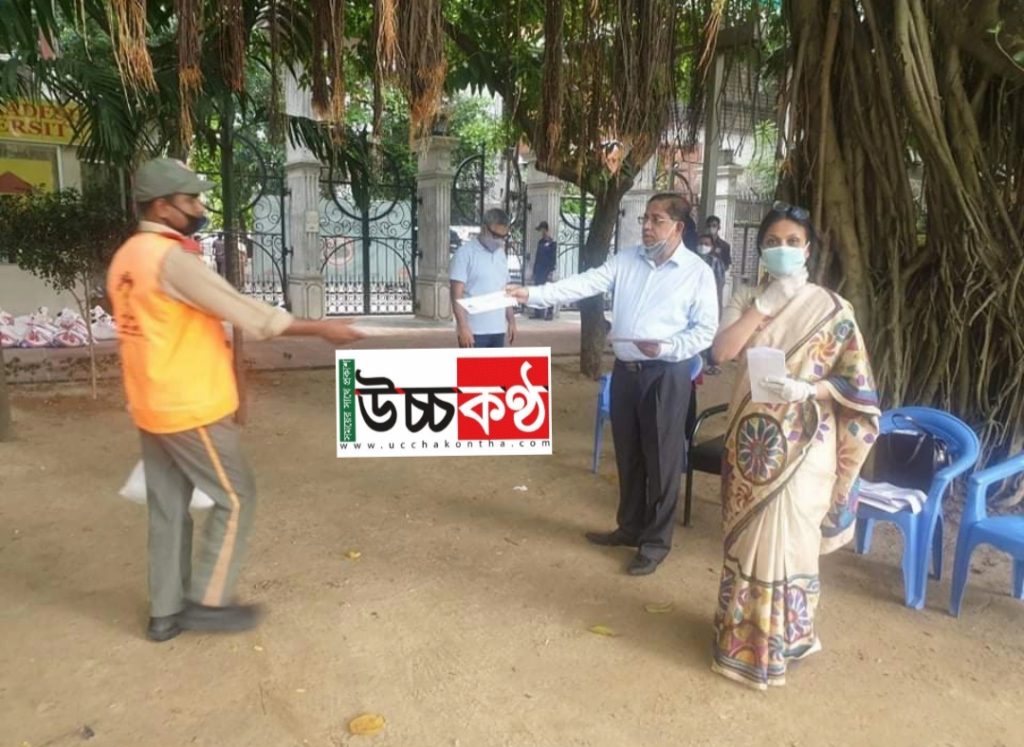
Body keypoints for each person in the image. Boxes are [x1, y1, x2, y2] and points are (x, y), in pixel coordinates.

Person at [108, 158, 366, 643]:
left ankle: (164, 612)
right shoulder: (169, 260)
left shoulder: (127, 258)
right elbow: (243, 310)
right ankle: (208, 602)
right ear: (161, 207)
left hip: (151, 404)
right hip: (189, 406)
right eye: (190, 200)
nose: (199, 207)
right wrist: (320, 328)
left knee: (167, 508)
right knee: (236, 496)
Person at [708, 202, 880, 689]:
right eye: (773, 242)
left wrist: (808, 389)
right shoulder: (746, 297)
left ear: (807, 250)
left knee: (793, 541)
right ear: (762, 249)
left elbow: (857, 385)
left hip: (807, 445)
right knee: (750, 540)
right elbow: (722, 351)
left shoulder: (833, 308)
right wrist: (764, 307)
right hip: (751, 444)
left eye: (792, 242)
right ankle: (741, 640)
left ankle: (786, 639)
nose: (782, 249)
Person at [507, 193, 719, 575]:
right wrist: (532, 294)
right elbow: (584, 283)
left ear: (678, 227)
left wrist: (668, 347)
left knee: (662, 460)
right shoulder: (627, 260)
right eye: (645, 219)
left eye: (656, 220)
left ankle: (655, 543)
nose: (647, 227)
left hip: (666, 373)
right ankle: (630, 526)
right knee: (628, 453)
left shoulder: (697, 273)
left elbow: (705, 331)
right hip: (626, 371)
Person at [450, 207, 516, 348]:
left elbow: (506, 291)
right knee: (474, 364)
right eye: (496, 235)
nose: (499, 241)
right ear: (484, 229)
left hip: (498, 330)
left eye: (504, 237)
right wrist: (463, 326)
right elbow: (456, 295)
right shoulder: (465, 254)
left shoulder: (501, 255)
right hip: (474, 332)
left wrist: (511, 320)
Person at [531, 221, 558, 320]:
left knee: (548, 292)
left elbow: (553, 258)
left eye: (541, 230)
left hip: (547, 270)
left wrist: (551, 271)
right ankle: (537, 312)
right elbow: (537, 257)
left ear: (545, 229)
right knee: (537, 291)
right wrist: (534, 271)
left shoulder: (552, 243)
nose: (541, 232)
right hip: (539, 270)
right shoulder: (540, 242)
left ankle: (550, 313)